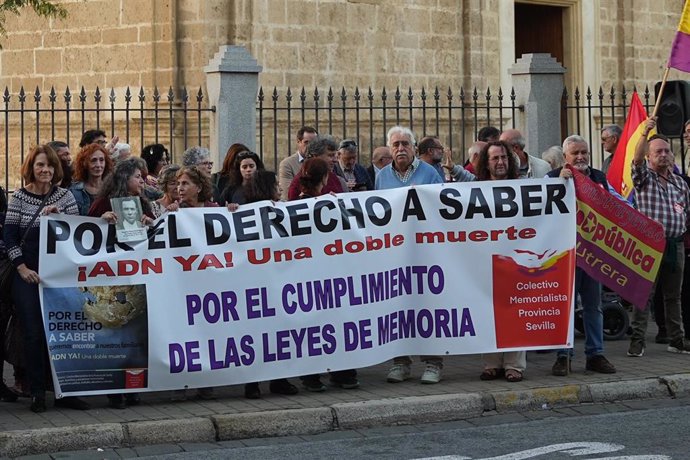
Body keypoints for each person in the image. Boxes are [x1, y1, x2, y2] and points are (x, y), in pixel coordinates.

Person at [4, 144, 90, 412]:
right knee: (33, 332)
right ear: (31, 167)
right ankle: (37, 392)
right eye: (40, 165)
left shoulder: (64, 197)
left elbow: (77, 234)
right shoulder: (19, 197)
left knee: (62, 333)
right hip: (28, 273)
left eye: (50, 165)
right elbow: (9, 237)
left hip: (58, 275)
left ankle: (65, 393)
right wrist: (21, 268)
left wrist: (60, 217)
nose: (46, 170)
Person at [376, 126, 444, 384]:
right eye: (396, 145)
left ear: (414, 148)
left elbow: (439, 209)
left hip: (426, 251)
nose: (400, 148)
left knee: (429, 306)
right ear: (389, 149)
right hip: (395, 253)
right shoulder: (382, 177)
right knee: (397, 306)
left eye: (405, 144)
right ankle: (400, 362)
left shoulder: (430, 173)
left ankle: (433, 363)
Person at [546, 135, 618, 375]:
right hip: (563, 254)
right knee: (564, 306)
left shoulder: (599, 178)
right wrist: (558, 183)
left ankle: (595, 354)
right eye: (575, 153)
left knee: (593, 306)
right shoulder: (551, 178)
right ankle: (563, 356)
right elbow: (542, 210)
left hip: (593, 254)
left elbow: (615, 206)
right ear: (565, 157)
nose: (580, 157)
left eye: (584, 152)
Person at [88, 157, 154, 409]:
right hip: (111, 281)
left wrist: (150, 223)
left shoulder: (143, 203)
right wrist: (100, 221)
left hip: (137, 278)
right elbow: (84, 232)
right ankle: (115, 390)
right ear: (124, 178)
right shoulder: (102, 204)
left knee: (137, 334)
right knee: (115, 335)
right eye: (138, 176)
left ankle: (134, 387)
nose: (141, 181)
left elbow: (157, 234)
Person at [289, 156, 359, 392]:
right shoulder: (329, 207)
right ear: (326, 178)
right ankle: (344, 373)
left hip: (304, 276)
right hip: (331, 273)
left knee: (312, 326)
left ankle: (311, 377)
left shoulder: (293, 207)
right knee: (338, 324)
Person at [230, 169, 300, 399]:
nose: (280, 189)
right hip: (255, 282)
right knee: (256, 334)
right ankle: (252, 383)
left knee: (279, 333)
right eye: (276, 186)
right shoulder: (244, 209)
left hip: (277, 280)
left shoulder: (281, 209)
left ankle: (279, 380)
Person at [628, 117, 690, 357]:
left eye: (666, 150)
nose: (663, 155)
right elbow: (635, 159)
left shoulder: (680, 184)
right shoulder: (644, 179)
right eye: (657, 152)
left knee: (673, 296)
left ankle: (676, 339)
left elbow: (685, 210)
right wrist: (645, 133)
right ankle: (637, 340)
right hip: (649, 246)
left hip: (675, 245)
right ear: (649, 157)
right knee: (643, 295)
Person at [475, 141, 526, 382]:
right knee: (487, 310)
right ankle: (491, 363)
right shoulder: (476, 192)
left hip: (515, 258)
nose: (500, 162)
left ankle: (514, 364)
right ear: (487, 163)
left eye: (504, 157)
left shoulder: (523, 188)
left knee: (514, 310)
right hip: (486, 258)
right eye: (495, 158)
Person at [69, 143, 114, 216]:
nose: (98, 165)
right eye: (93, 160)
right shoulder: (73, 191)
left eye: (102, 160)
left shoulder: (113, 189)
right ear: (84, 164)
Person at [278, 126, 318, 201]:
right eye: (306, 142)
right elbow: (287, 192)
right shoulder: (287, 164)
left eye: (314, 143)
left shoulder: (321, 162)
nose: (310, 146)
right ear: (298, 142)